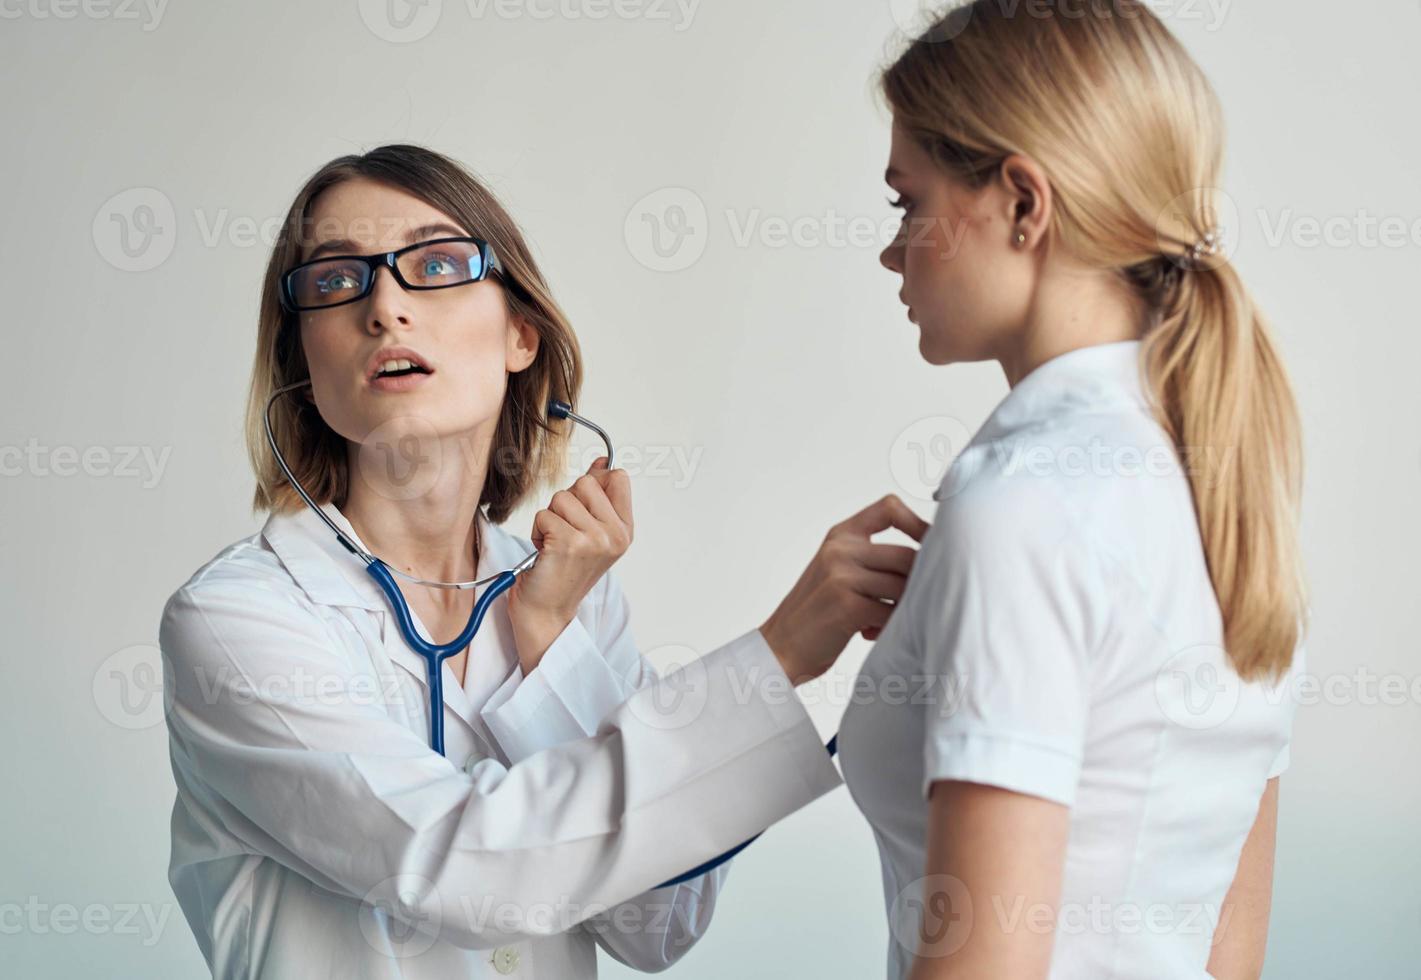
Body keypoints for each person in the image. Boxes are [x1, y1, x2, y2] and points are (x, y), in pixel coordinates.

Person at [158, 143, 928, 978]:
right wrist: (774, 657)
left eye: (437, 263)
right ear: (305, 361)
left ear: (521, 334)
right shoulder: (237, 620)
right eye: (336, 281)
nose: (384, 307)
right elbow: (464, 869)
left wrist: (552, 641)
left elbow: (651, 924)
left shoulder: (565, 594)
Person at [837, 2, 1306, 978]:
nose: (892, 250)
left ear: (1021, 202)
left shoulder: (1017, 507)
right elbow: (1229, 951)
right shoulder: (1227, 493)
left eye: (905, 202)